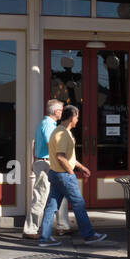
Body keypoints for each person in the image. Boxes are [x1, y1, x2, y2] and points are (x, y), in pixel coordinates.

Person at [39, 105, 106, 247]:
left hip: (55, 173)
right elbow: (61, 157)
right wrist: (71, 172)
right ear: (71, 117)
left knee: (51, 206)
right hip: (63, 175)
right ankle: (89, 235)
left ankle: (44, 238)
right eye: (77, 117)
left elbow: (69, 157)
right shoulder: (62, 134)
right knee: (78, 204)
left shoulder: (62, 132)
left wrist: (82, 168)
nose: (78, 120)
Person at [23, 100, 70, 239]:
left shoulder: (46, 124)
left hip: (45, 163)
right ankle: (30, 230)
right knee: (41, 196)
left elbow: (36, 145)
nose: (62, 112)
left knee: (60, 193)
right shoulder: (48, 125)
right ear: (56, 111)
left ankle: (63, 225)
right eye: (61, 110)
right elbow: (53, 145)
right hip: (47, 164)